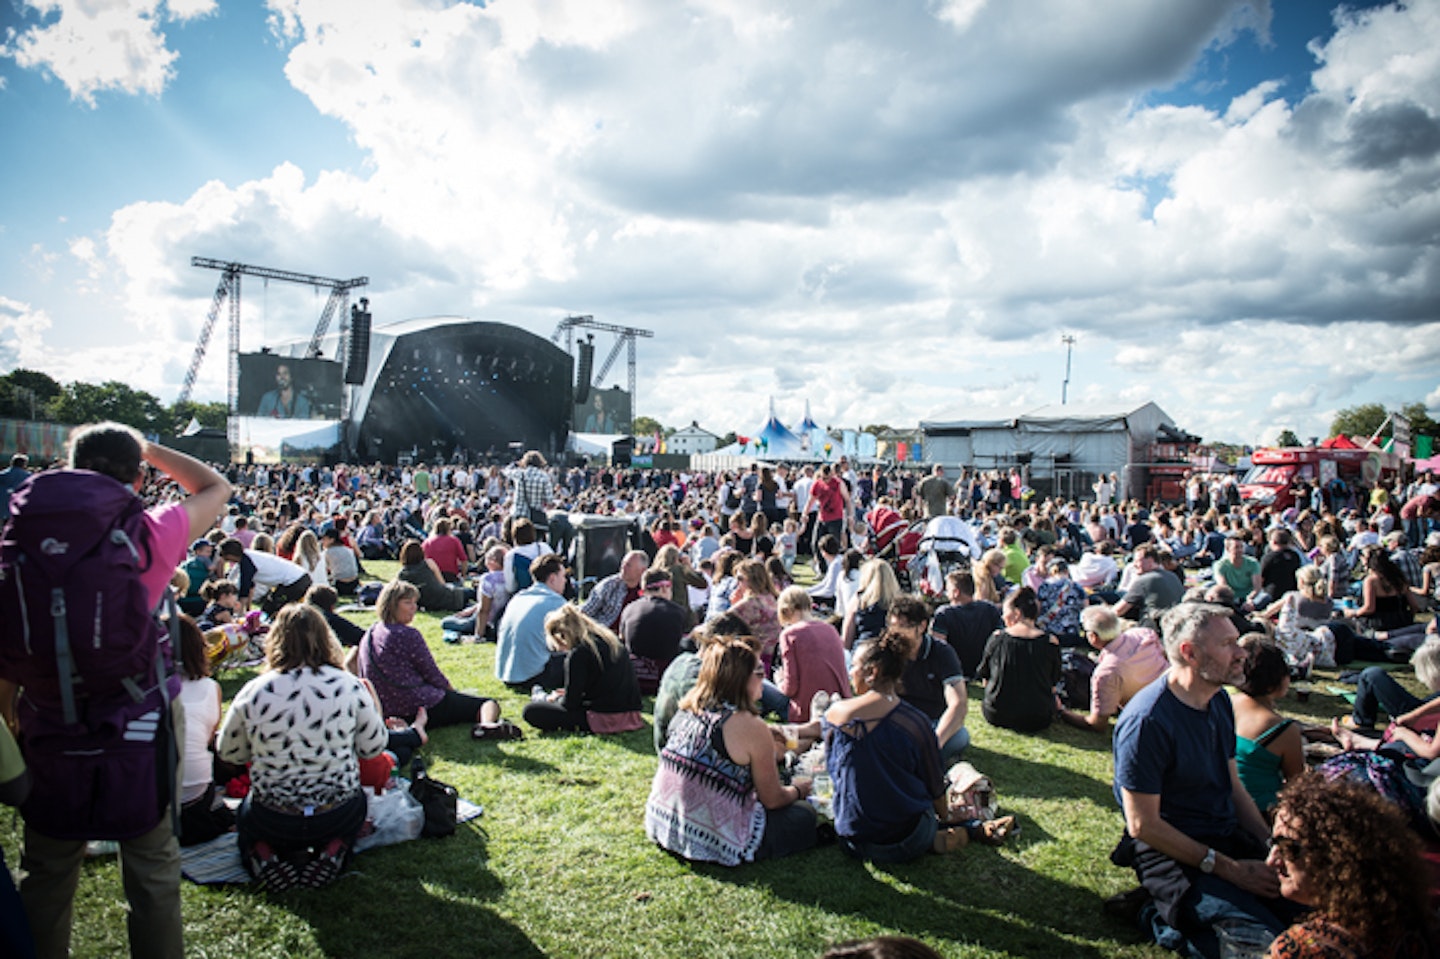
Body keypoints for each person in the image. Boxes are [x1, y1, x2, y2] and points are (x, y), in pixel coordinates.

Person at [3, 424, 229, 959]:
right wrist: (148, 447)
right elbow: (215, 487)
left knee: (47, 870)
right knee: (151, 869)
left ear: (71, 463)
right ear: (138, 474)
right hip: (139, 716)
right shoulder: (150, 529)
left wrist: (10, 717)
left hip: (45, 713)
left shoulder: (20, 533)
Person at [1112, 602, 1297, 958]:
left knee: (1310, 913)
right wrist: (1232, 872)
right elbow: (1143, 825)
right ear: (1190, 653)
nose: (1242, 652)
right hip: (1171, 855)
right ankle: (1156, 912)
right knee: (1259, 948)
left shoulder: (1219, 701)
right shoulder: (1148, 721)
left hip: (1225, 837)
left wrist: (1268, 845)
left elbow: (1234, 786)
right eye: (1228, 644)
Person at [217, 604, 385, 890]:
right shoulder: (349, 686)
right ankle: (335, 846)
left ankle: (262, 851)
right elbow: (373, 747)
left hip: (273, 815)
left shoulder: (255, 690)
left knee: (246, 816)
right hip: (336, 811)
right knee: (357, 806)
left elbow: (228, 751)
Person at [824, 632, 1014, 863]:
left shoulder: (836, 714)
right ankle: (968, 829)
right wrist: (944, 816)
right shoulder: (915, 723)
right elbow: (935, 788)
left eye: (854, 666)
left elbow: (836, 773)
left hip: (853, 838)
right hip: (907, 839)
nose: (850, 672)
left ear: (873, 672)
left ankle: (965, 829)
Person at [644, 635, 817, 865]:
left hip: (664, 824)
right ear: (740, 679)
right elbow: (773, 799)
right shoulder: (747, 725)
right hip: (708, 839)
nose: (764, 677)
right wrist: (798, 790)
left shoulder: (690, 709)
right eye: (759, 672)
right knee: (804, 815)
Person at [1265, 774, 1437, 959]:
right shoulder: (1415, 925)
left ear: (1334, 857)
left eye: (1288, 847)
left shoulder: (1300, 949)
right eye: (1273, 843)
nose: (1271, 860)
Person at [357, 580, 518, 739]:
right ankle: (487, 725)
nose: (414, 608)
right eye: (408, 603)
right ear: (391, 605)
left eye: (415, 603)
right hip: (417, 704)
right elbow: (431, 673)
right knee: (487, 704)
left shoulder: (371, 632)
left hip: (384, 707)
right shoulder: (407, 634)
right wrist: (453, 694)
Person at [521, 605, 643, 734]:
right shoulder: (611, 641)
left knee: (531, 711)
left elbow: (570, 704)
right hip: (631, 715)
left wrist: (556, 699)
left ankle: (542, 698)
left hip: (602, 718)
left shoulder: (578, 653)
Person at [1058, 605, 1167, 732]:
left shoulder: (1106, 673)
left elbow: (1097, 724)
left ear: (1093, 636)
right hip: (1177, 699)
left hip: (1153, 720)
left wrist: (1062, 712)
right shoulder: (1143, 634)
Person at [888, 595, 971, 764]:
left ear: (922, 626)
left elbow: (958, 703)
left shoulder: (942, 653)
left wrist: (933, 745)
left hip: (932, 723)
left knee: (960, 737)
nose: (897, 633)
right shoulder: (887, 651)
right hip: (895, 720)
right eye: (893, 626)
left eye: (904, 627)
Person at [652, 613, 751, 752]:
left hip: (673, 747)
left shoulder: (682, 660)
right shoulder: (699, 675)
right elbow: (720, 726)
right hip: (683, 753)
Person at [176, 616, 235, 847]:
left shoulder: (141, 689)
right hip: (195, 795)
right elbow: (209, 739)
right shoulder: (210, 688)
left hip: (147, 797)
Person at [1230, 636, 1302, 817]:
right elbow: (1297, 784)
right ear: (1277, 679)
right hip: (1261, 812)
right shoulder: (1283, 729)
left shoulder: (1226, 703)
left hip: (1223, 801)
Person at [976, 587, 1061, 733]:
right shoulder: (1051, 642)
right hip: (1038, 717)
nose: (1003, 617)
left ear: (1017, 613)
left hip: (997, 713)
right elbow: (1053, 681)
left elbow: (985, 676)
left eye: (1005, 613)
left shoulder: (997, 638)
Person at [773, 587, 851, 724]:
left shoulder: (790, 634)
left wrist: (779, 681)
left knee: (763, 685)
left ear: (786, 611)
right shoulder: (830, 630)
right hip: (838, 705)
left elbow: (790, 688)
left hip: (805, 710)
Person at [495, 553, 570, 690]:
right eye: (563, 576)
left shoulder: (518, 597)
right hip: (533, 676)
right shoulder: (556, 603)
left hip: (506, 673)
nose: (565, 581)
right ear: (552, 578)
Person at [618, 568, 690, 694]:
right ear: (664, 588)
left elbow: (622, 638)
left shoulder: (629, 609)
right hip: (665, 679)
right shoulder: (678, 611)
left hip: (634, 676)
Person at [928, 570, 1004, 679]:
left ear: (956, 592)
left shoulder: (944, 614)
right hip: (986, 669)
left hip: (956, 670)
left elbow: (938, 645)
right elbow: (1000, 637)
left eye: (948, 589)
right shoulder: (989, 609)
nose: (946, 593)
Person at [218, 537, 312, 615]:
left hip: (295, 581)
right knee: (269, 608)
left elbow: (244, 590)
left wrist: (240, 613)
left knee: (273, 610)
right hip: (295, 579)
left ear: (231, 554)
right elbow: (250, 586)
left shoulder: (247, 563)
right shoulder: (248, 558)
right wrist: (247, 609)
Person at [1114, 543, 1184, 630]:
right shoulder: (1172, 576)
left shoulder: (1144, 580)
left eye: (1137, 561)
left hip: (1154, 628)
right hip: (1176, 625)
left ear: (1150, 561)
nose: (1134, 565)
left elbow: (1117, 611)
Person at [395, 538, 472, 612]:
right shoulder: (429, 563)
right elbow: (442, 583)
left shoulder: (402, 574)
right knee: (469, 592)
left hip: (428, 603)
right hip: (448, 597)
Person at [580, 549, 648, 631]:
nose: (623, 567)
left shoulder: (648, 590)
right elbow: (585, 611)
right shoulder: (609, 585)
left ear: (642, 570)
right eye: (623, 563)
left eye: (628, 565)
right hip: (605, 634)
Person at [842, 558, 902, 650]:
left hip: (863, 651)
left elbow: (847, 639)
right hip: (891, 653)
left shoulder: (858, 600)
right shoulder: (900, 604)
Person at [422, 517, 469, 583]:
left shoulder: (427, 542)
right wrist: (463, 575)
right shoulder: (454, 541)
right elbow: (464, 560)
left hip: (431, 576)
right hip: (450, 576)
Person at [321, 526, 360, 596]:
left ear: (332, 540)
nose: (322, 542)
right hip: (354, 583)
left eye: (324, 539)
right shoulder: (348, 549)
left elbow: (323, 571)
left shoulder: (327, 552)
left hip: (340, 585)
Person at [0, 451, 30, 522]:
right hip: (20, 505)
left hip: (3, 504)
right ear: (24, 464)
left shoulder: (3, 475)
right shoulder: (28, 476)